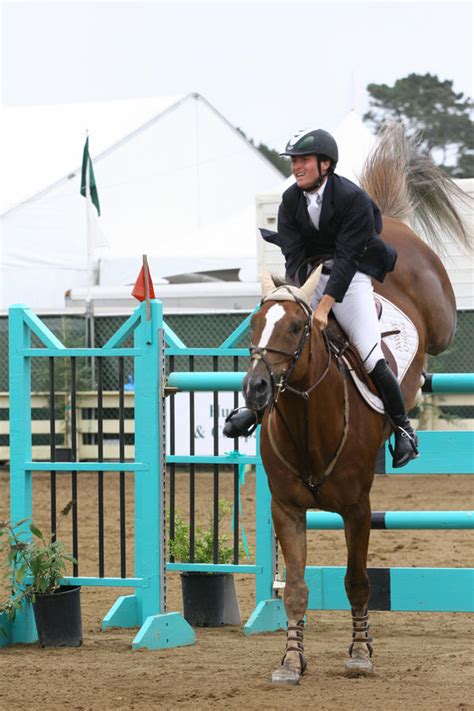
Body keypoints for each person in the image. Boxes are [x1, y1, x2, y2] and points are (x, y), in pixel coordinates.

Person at [223, 127, 419, 468]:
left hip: (352, 277)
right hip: (311, 278)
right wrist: (301, 299)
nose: (296, 167)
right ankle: (253, 410)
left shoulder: (352, 198)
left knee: (371, 355)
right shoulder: (289, 201)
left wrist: (326, 306)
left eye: (303, 160)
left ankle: (404, 430)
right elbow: (294, 258)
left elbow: (346, 259)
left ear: (325, 164)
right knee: (281, 341)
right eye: (294, 161)